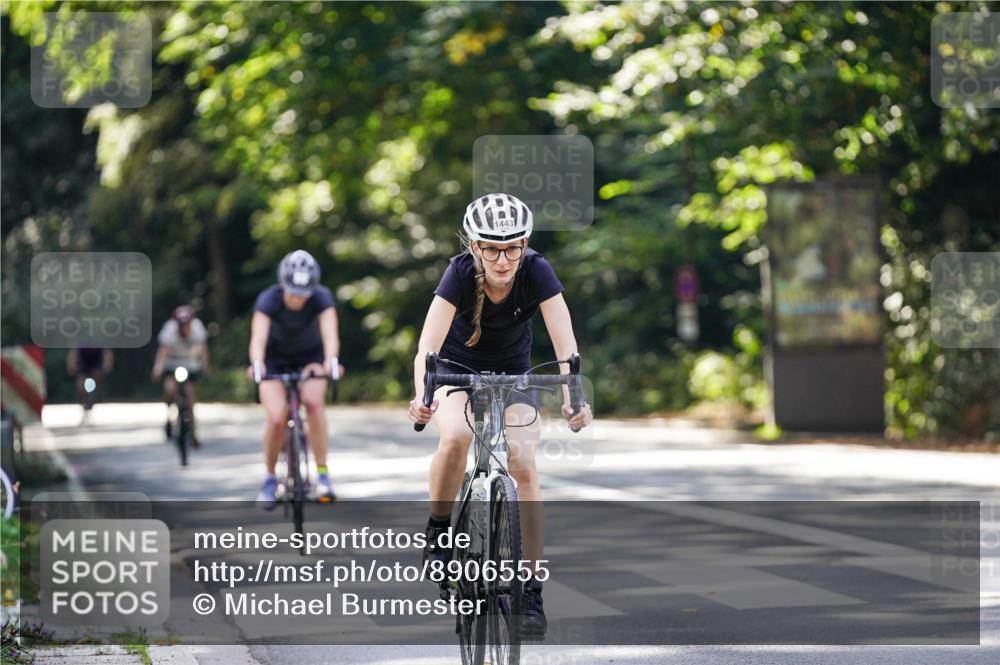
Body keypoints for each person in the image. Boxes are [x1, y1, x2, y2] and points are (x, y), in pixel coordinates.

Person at [407, 193, 593, 637]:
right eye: (492, 248)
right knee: (456, 437)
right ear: (474, 246)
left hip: (515, 374)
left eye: (513, 247)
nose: (503, 259)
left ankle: (530, 588)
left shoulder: (537, 270)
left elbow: (566, 345)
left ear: (525, 244)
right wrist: (423, 396)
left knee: (524, 463)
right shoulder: (457, 273)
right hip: (455, 371)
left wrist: (573, 397)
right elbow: (427, 348)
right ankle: (438, 530)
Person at [248, 250, 341, 507]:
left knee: (313, 403)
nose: (298, 299)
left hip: (310, 358)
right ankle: (269, 479)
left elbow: (330, 334)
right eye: (292, 292)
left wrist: (331, 362)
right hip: (274, 361)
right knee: (277, 417)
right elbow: (257, 338)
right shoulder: (269, 299)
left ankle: (323, 475)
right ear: (282, 284)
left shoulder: (321, 297)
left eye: (304, 293)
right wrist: (257, 365)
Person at [152, 305, 210, 447]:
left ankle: (194, 432)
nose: (185, 327)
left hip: (189, 363)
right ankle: (169, 415)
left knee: (190, 398)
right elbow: (163, 350)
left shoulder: (197, 328)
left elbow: (202, 349)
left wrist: (206, 367)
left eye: (187, 323)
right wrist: (158, 368)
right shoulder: (170, 329)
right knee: (170, 389)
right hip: (172, 363)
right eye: (182, 324)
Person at [67, 344, 113, 413]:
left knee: (98, 378)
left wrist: (107, 366)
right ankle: (81, 400)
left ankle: (96, 396)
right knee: (80, 385)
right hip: (84, 366)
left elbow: (107, 355)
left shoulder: (99, 346)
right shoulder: (81, 346)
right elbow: (72, 355)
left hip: (95, 365)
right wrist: (71, 366)